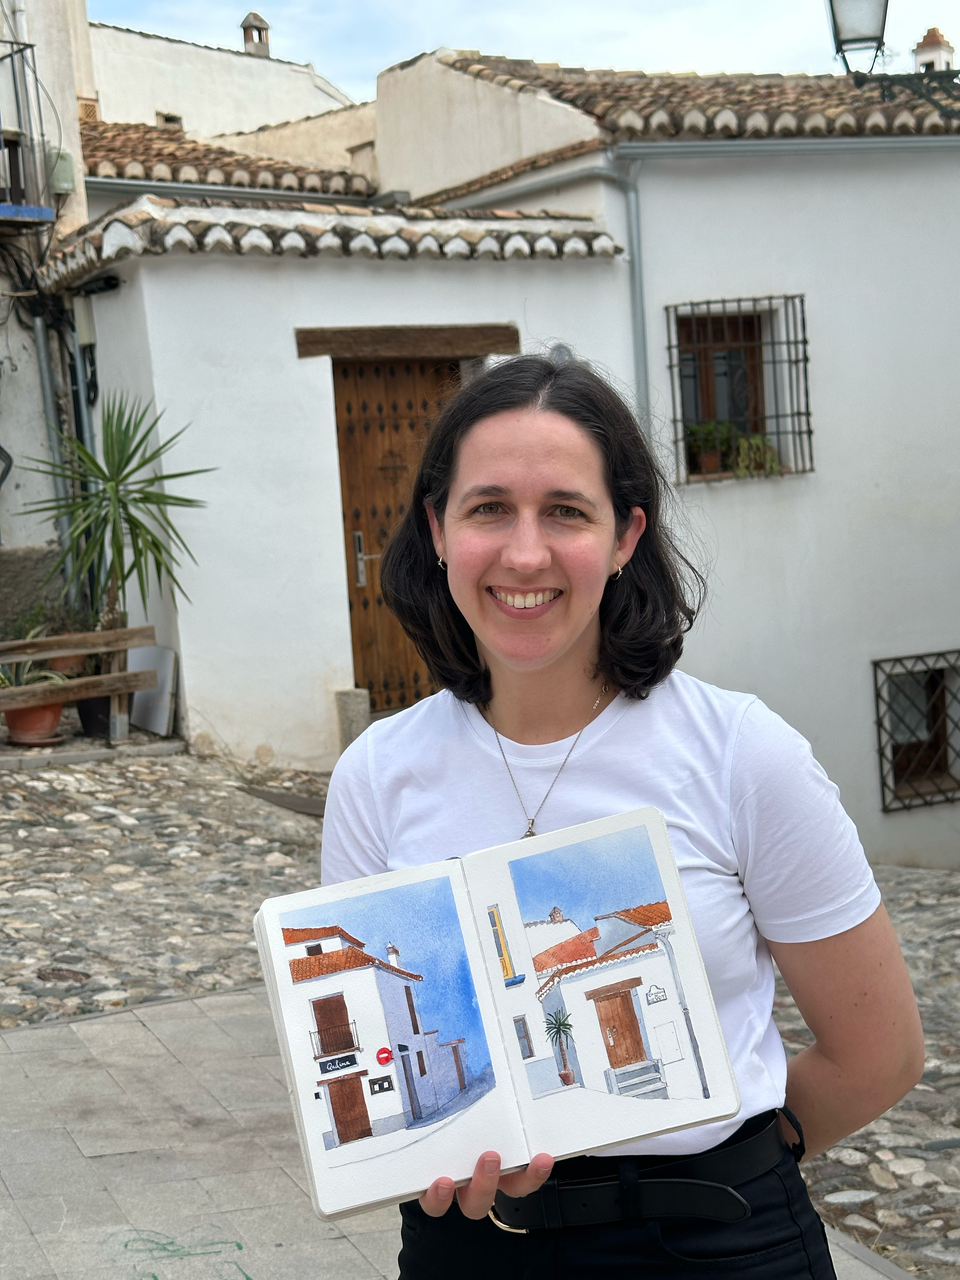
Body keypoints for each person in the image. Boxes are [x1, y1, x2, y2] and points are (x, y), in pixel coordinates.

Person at [321, 356, 923, 1279]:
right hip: (473, 1251)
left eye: (566, 510)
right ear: (438, 530)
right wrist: (426, 1155)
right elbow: (388, 1063)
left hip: (722, 1243)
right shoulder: (377, 775)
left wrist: (736, 1158)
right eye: (489, 509)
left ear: (625, 535)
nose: (527, 554)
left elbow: (880, 1054)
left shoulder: (740, 753)